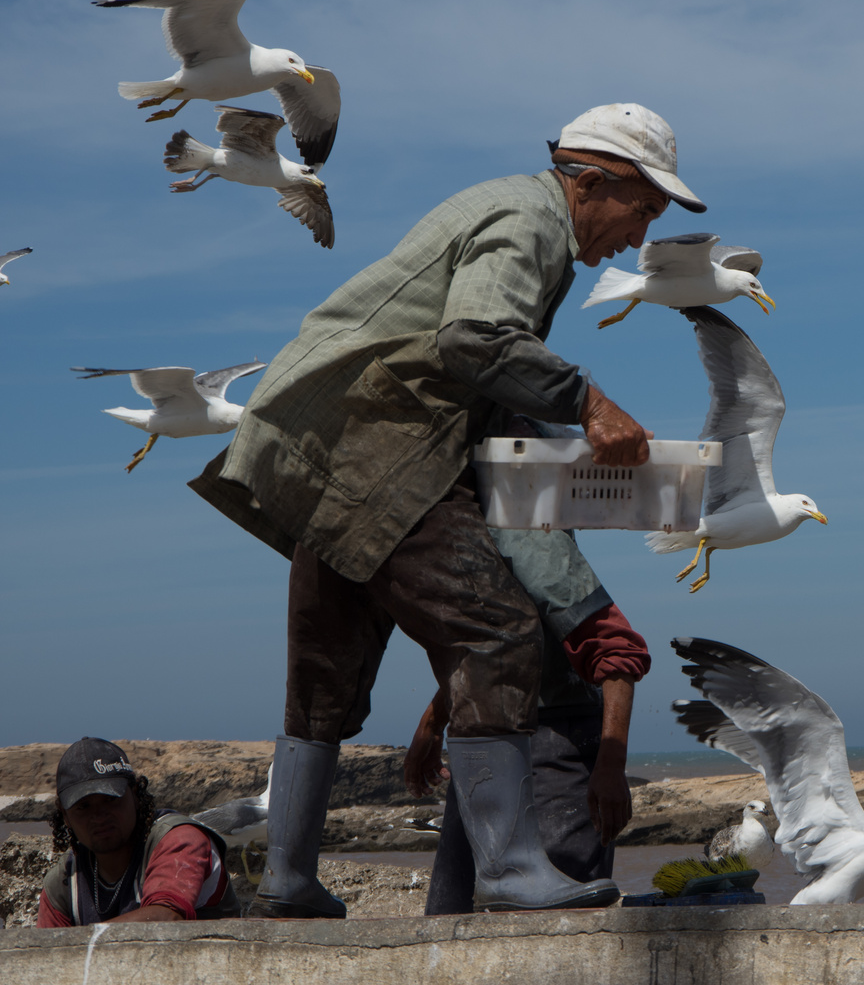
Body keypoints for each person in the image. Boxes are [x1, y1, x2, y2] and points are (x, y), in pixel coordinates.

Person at [189, 103, 705, 918]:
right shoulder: (532, 221)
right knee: (496, 633)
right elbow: (476, 338)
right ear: (594, 182)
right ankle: (507, 870)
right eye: (643, 210)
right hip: (384, 449)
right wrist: (588, 402)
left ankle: (286, 877)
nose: (639, 238)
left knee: (326, 665)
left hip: (321, 441)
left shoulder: (497, 204)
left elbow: (473, 368)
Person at [405, 419, 652, 913]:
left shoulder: (527, 533)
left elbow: (617, 653)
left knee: (558, 921)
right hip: (486, 745)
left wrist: (610, 765)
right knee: (451, 919)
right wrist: (435, 721)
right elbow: (490, 650)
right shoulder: (468, 536)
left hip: (554, 742)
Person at [37, 738, 240, 926]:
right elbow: (44, 954)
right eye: (84, 807)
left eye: (110, 800)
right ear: (65, 816)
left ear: (134, 795)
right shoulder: (63, 882)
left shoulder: (180, 839)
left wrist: (86, 941)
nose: (99, 816)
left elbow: (166, 917)